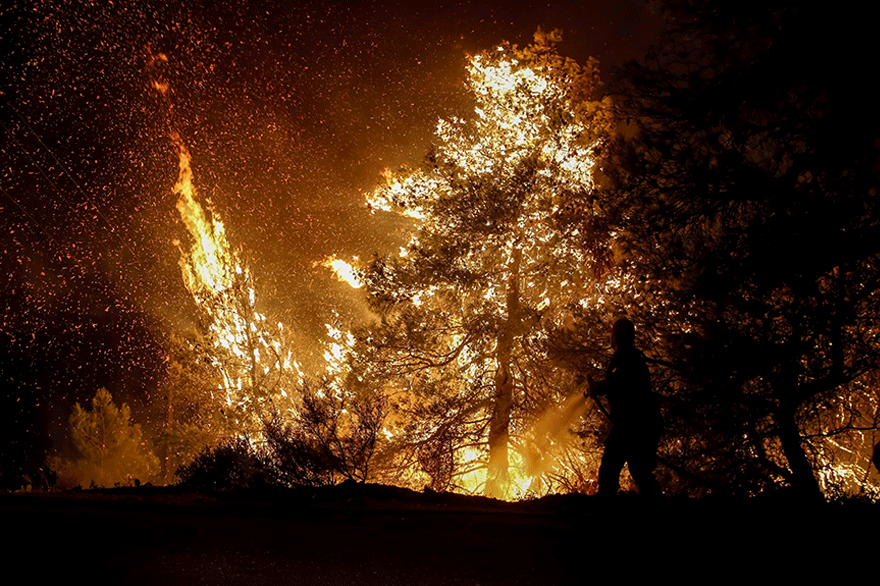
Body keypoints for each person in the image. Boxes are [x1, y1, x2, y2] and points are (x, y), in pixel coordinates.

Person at [587, 317, 662, 497]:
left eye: (613, 336)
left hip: (632, 423)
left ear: (617, 337)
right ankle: (658, 508)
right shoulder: (631, 357)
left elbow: (618, 384)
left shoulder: (625, 357)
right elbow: (617, 382)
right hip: (642, 422)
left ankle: (604, 512)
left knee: (610, 467)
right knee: (639, 469)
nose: (611, 340)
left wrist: (597, 388)